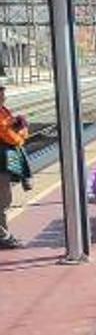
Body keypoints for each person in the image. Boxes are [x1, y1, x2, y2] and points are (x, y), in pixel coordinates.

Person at [0, 84, 30, 250]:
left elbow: (12, 129)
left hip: (3, 164)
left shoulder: (4, 111)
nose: (4, 99)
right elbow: (13, 139)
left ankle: (4, 236)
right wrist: (23, 131)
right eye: (1, 96)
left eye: (4, 96)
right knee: (3, 201)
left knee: (4, 201)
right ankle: (4, 237)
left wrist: (18, 125)